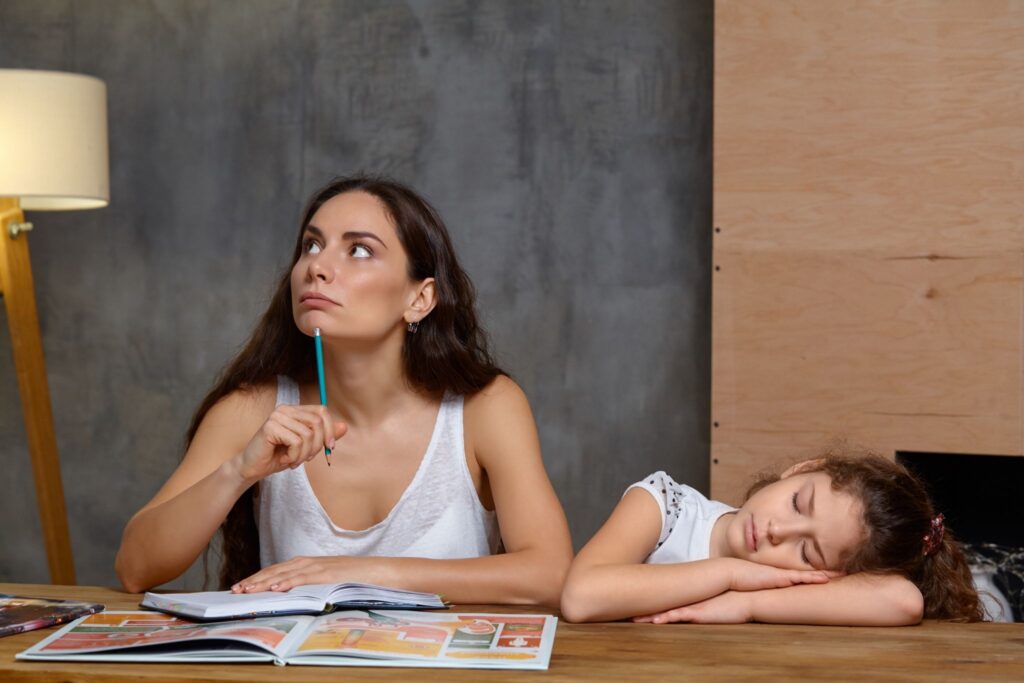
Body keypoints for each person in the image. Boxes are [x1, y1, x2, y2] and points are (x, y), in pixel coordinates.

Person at [115, 175, 573, 605]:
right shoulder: (252, 409)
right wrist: (237, 472)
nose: (317, 266)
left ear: (420, 299)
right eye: (311, 245)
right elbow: (135, 569)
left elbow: (551, 575)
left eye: (358, 251)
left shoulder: (485, 407)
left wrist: (360, 573)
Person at [560, 449, 983, 624]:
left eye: (808, 551)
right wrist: (728, 575)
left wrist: (748, 603)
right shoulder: (664, 506)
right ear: (802, 468)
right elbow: (581, 597)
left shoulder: (778, 593)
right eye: (800, 504)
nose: (778, 531)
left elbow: (902, 600)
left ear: (831, 577)